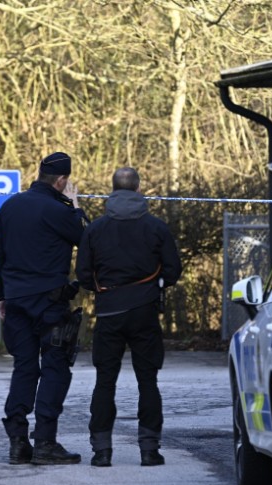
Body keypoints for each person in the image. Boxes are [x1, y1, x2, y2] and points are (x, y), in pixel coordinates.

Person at [76, 167, 182, 467]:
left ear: (112, 191)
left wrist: (104, 289)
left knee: (104, 382)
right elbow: (173, 270)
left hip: (109, 312)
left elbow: (84, 274)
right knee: (147, 381)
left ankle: (101, 451)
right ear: (138, 190)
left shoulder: (95, 229)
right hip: (145, 312)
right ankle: (149, 450)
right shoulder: (156, 227)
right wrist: (154, 285)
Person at [0, 151, 88, 465]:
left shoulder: (11, 206)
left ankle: (18, 442)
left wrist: (3, 294)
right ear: (62, 181)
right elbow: (88, 240)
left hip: (17, 302)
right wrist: (76, 208)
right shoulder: (59, 211)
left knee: (25, 369)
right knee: (55, 367)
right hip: (49, 303)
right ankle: (45, 442)